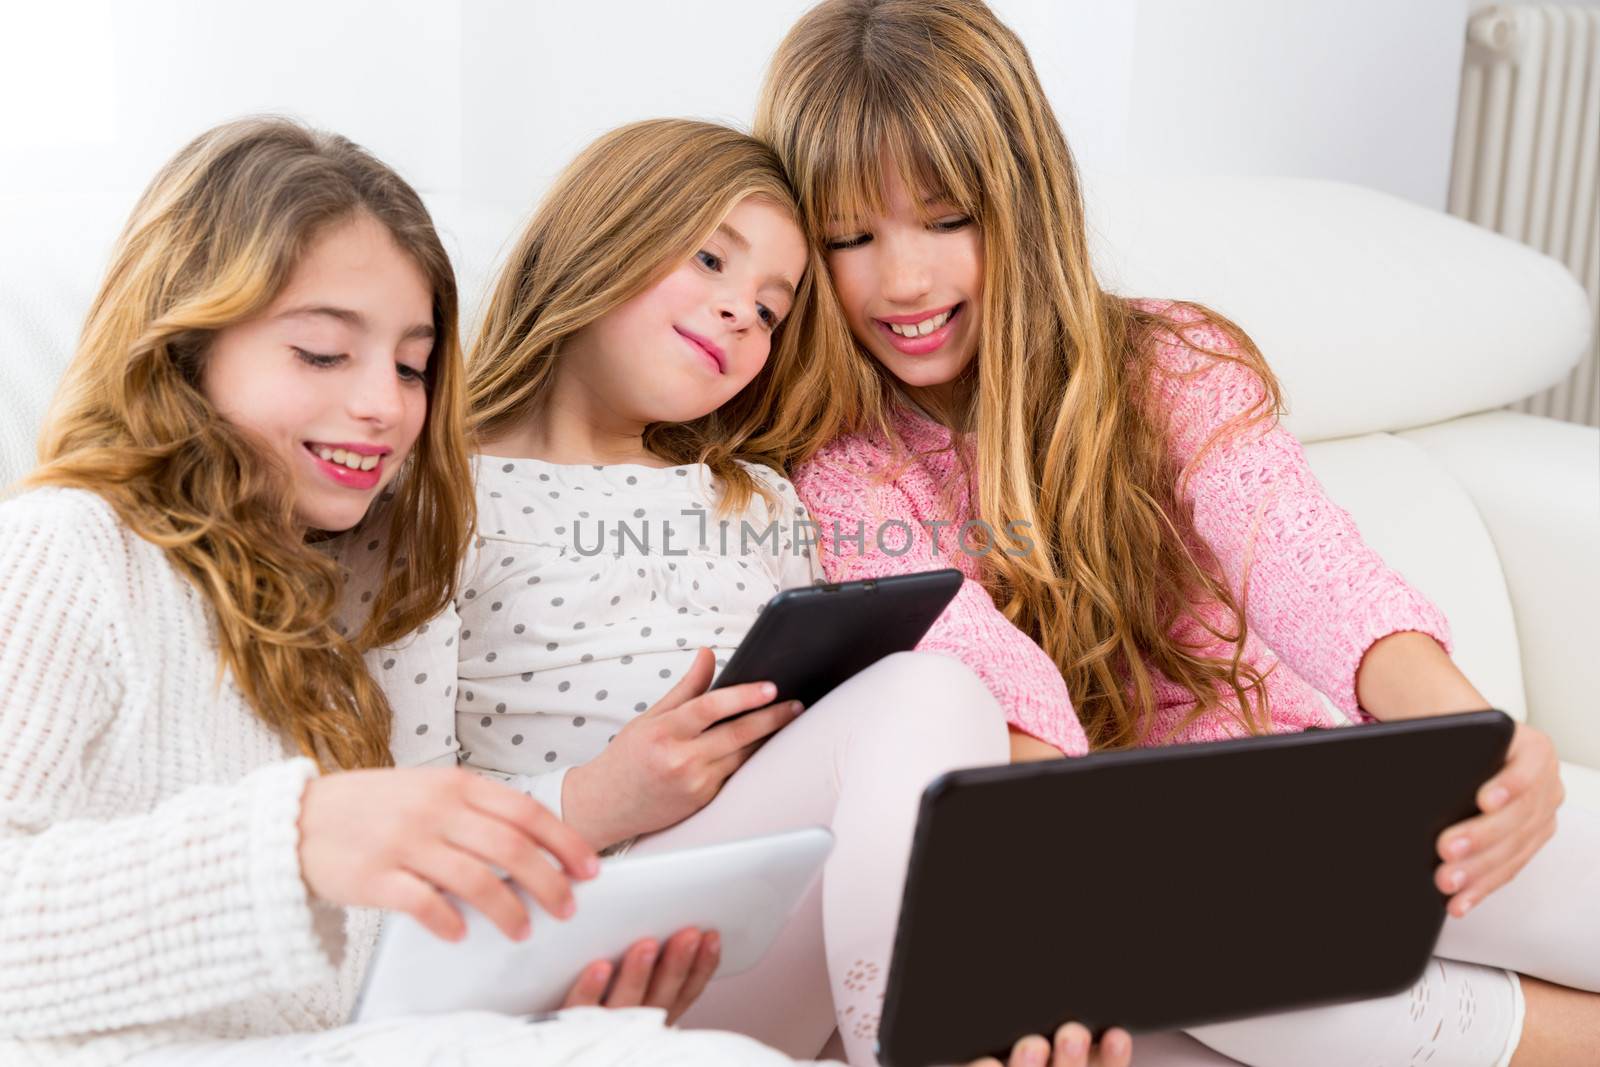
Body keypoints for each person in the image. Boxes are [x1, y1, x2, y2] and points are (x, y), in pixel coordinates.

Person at [751, 1, 1600, 1064]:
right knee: (1227, 972)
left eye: (946, 217)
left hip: (1305, 791)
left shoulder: (1168, 360)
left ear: (1024, 202)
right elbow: (969, 651)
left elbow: (1297, 553)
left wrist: (1474, 741)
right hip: (1124, 874)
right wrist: (1057, 869)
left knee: (1547, 862)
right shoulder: (839, 462)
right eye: (849, 236)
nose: (904, 280)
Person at [0, 116, 849, 1067]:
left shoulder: (316, 616)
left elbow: (361, 978)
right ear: (183, 347)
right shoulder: (65, 550)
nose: (383, 404)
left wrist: (560, 987)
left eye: (412, 367)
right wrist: (294, 840)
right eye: (323, 352)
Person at [359, 117, 1120, 1067]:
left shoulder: (757, 497)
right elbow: (392, 812)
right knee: (931, 689)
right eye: (711, 261)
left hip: (755, 937)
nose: (738, 313)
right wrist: (601, 796)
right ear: (601, 233)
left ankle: (938, 1032)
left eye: (771, 308)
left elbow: (860, 774)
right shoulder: (436, 495)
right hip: (569, 942)